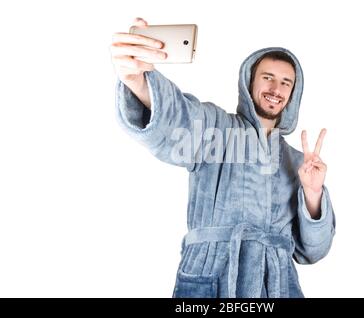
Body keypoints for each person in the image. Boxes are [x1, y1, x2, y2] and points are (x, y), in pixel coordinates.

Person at [111, 17, 336, 298]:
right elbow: (177, 120)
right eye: (267, 77)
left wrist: (313, 193)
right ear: (249, 82)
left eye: (285, 82)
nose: (276, 89)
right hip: (213, 280)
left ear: (293, 93)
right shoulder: (216, 129)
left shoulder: (297, 162)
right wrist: (138, 81)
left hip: (277, 287)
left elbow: (312, 251)